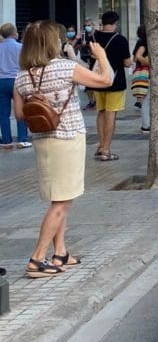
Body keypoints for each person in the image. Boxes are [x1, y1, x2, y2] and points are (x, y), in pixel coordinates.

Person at [16, 20, 114, 277]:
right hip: (68, 138)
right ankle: (37, 258)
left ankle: (60, 251)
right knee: (61, 202)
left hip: (42, 140)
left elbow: (18, 114)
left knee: (57, 196)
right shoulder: (64, 68)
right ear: (52, 43)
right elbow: (105, 80)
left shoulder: (22, 76)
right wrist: (101, 56)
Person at [87, 11, 131, 162]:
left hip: (97, 80)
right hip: (115, 82)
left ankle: (100, 146)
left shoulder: (93, 37)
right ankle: (106, 149)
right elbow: (126, 63)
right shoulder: (120, 40)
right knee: (111, 113)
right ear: (115, 23)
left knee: (101, 111)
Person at [0, 23, 31, 149]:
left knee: (3, 113)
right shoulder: (21, 47)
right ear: (14, 33)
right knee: (21, 109)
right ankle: (22, 139)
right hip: (17, 80)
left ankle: (6, 141)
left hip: (1, 81)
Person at [132, 27, 151, 133]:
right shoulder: (145, 43)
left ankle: (146, 124)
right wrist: (148, 63)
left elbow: (134, 58)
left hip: (142, 74)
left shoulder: (140, 42)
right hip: (147, 74)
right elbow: (138, 56)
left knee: (145, 101)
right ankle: (146, 125)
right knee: (147, 101)